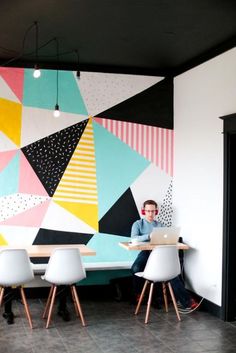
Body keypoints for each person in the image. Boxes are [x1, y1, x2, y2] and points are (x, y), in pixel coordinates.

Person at [131, 199, 199, 314]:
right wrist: (149, 235)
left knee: (171, 273)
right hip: (146, 253)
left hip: (160, 254)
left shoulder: (160, 225)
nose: (151, 214)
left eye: (153, 211)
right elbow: (133, 239)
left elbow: (166, 239)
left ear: (156, 212)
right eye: (148, 211)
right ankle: (139, 294)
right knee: (135, 268)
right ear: (144, 211)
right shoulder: (138, 224)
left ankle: (187, 301)